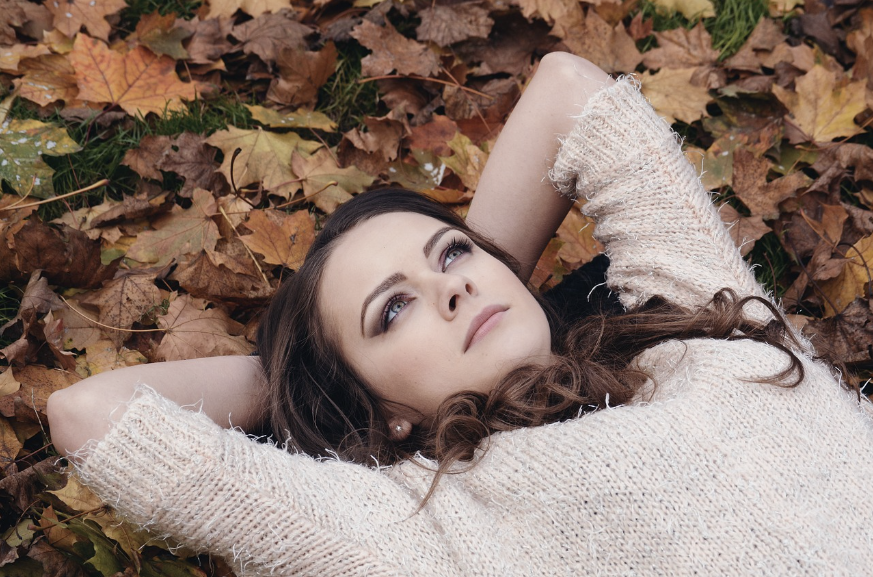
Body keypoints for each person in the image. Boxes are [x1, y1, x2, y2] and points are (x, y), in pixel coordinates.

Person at [46, 53, 873, 576]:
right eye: (392, 309)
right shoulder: (419, 523)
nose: (452, 287)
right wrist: (301, 381)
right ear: (380, 410)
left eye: (450, 255)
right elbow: (91, 414)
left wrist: (488, 277)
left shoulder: (692, 324)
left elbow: (566, 92)